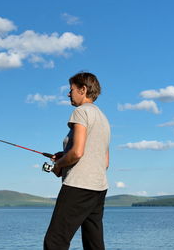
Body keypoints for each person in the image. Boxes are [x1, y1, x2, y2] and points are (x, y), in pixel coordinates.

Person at [44, 72, 110, 250]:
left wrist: (58, 165)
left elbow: (78, 152)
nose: (68, 93)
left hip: (78, 187)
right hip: (99, 189)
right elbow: (104, 161)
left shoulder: (80, 112)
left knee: (55, 242)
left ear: (83, 89)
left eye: (71, 89)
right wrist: (64, 154)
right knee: (94, 243)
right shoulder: (103, 118)